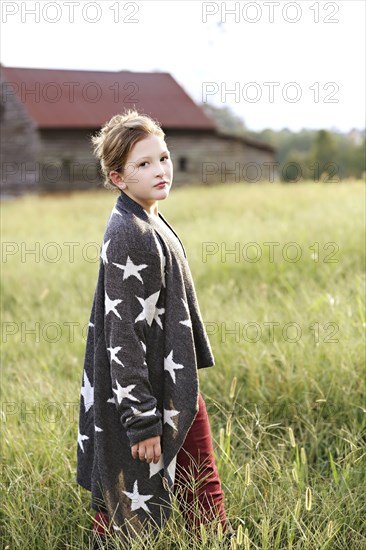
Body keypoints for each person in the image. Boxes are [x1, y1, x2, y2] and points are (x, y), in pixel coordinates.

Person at [76, 109, 233, 548]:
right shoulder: (130, 231)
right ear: (118, 177)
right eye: (143, 165)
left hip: (170, 374)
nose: (160, 170)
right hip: (150, 389)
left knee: (151, 483)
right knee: (192, 485)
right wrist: (142, 420)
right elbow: (121, 332)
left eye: (162, 158)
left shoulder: (149, 217)